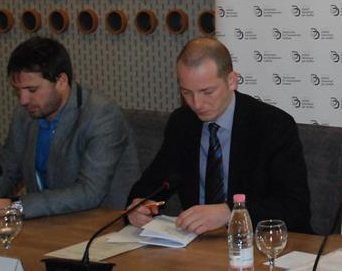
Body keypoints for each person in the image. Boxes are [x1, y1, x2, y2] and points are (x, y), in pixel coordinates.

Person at [127, 37, 311, 234]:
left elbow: (295, 208)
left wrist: (230, 212)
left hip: (258, 241)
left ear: (231, 81)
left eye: (207, 92)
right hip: (197, 243)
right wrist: (139, 207)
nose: (196, 104)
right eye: (186, 92)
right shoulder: (182, 123)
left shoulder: (272, 125)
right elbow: (152, 186)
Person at [0, 37, 139, 224]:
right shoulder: (24, 116)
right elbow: (5, 170)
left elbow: (89, 192)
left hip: (101, 225)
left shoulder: (101, 115)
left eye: (32, 90)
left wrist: (14, 207)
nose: (23, 100)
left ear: (61, 81)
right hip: (45, 223)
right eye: (18, 91)